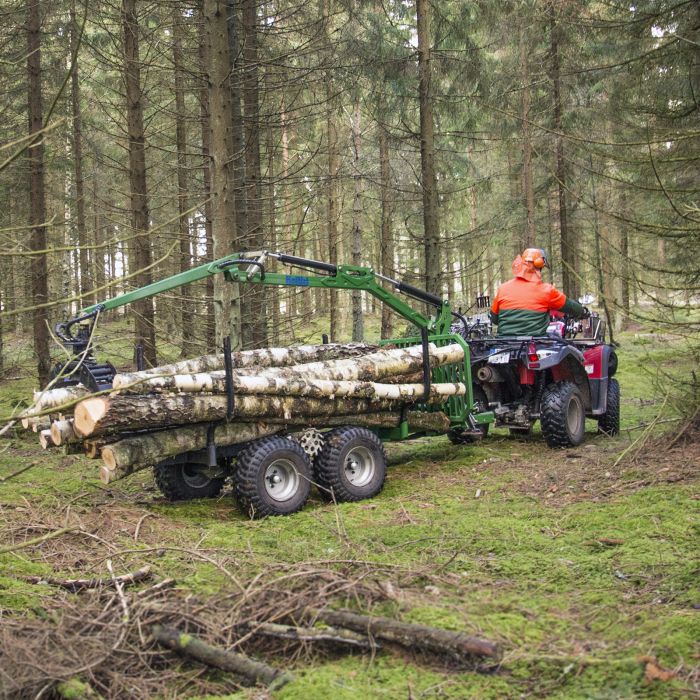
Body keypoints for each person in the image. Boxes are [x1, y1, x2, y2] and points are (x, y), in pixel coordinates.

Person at [489, 248, 588, 337]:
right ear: (539, 267)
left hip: (503, 345)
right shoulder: (547, 291)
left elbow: (495, 319)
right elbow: (570, 306)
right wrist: (583, 312)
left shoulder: (503, 289)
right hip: (534, 345)